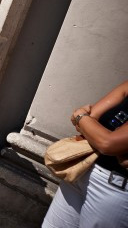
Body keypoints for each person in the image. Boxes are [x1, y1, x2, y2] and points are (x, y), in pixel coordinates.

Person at [42, 80, 128, 228]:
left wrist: (83, 118)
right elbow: (87, 117)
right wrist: (83, 118)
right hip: (82, 170)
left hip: (114, 189)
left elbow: (107, 143)